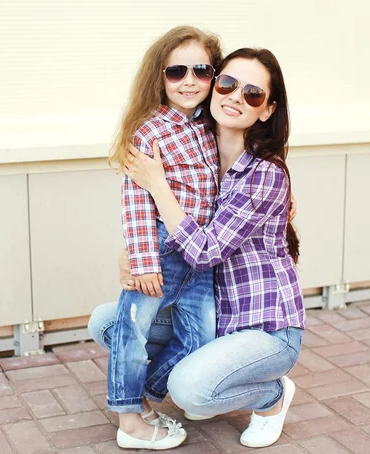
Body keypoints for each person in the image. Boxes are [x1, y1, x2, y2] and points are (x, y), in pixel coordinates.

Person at [121, 47, 305, 449]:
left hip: (266, 328)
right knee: (110, 321)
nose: (236, 96)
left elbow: (203, 252)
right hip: (213, 315)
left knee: (192, 394)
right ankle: (184, 381)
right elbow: (143, 211)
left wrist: (159, 186)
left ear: (267, 109)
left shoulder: (265, 174)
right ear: (212, 85)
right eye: (227, 83)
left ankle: (271, 395)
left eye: (253, 94)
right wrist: (136, 254)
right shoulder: (193, 149)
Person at [90, 26, 223, 450]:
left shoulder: (209, 126)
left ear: (214, 75)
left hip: (200, 253)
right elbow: (135, 201)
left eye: (201, 70)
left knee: (199, 340)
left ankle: (145, 395)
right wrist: (143, 259)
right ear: (159, 77)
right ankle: (128, 420)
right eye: (176, 71)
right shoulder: (150, 131)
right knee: (133, 331)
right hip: (163, 248)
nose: (189, 80)